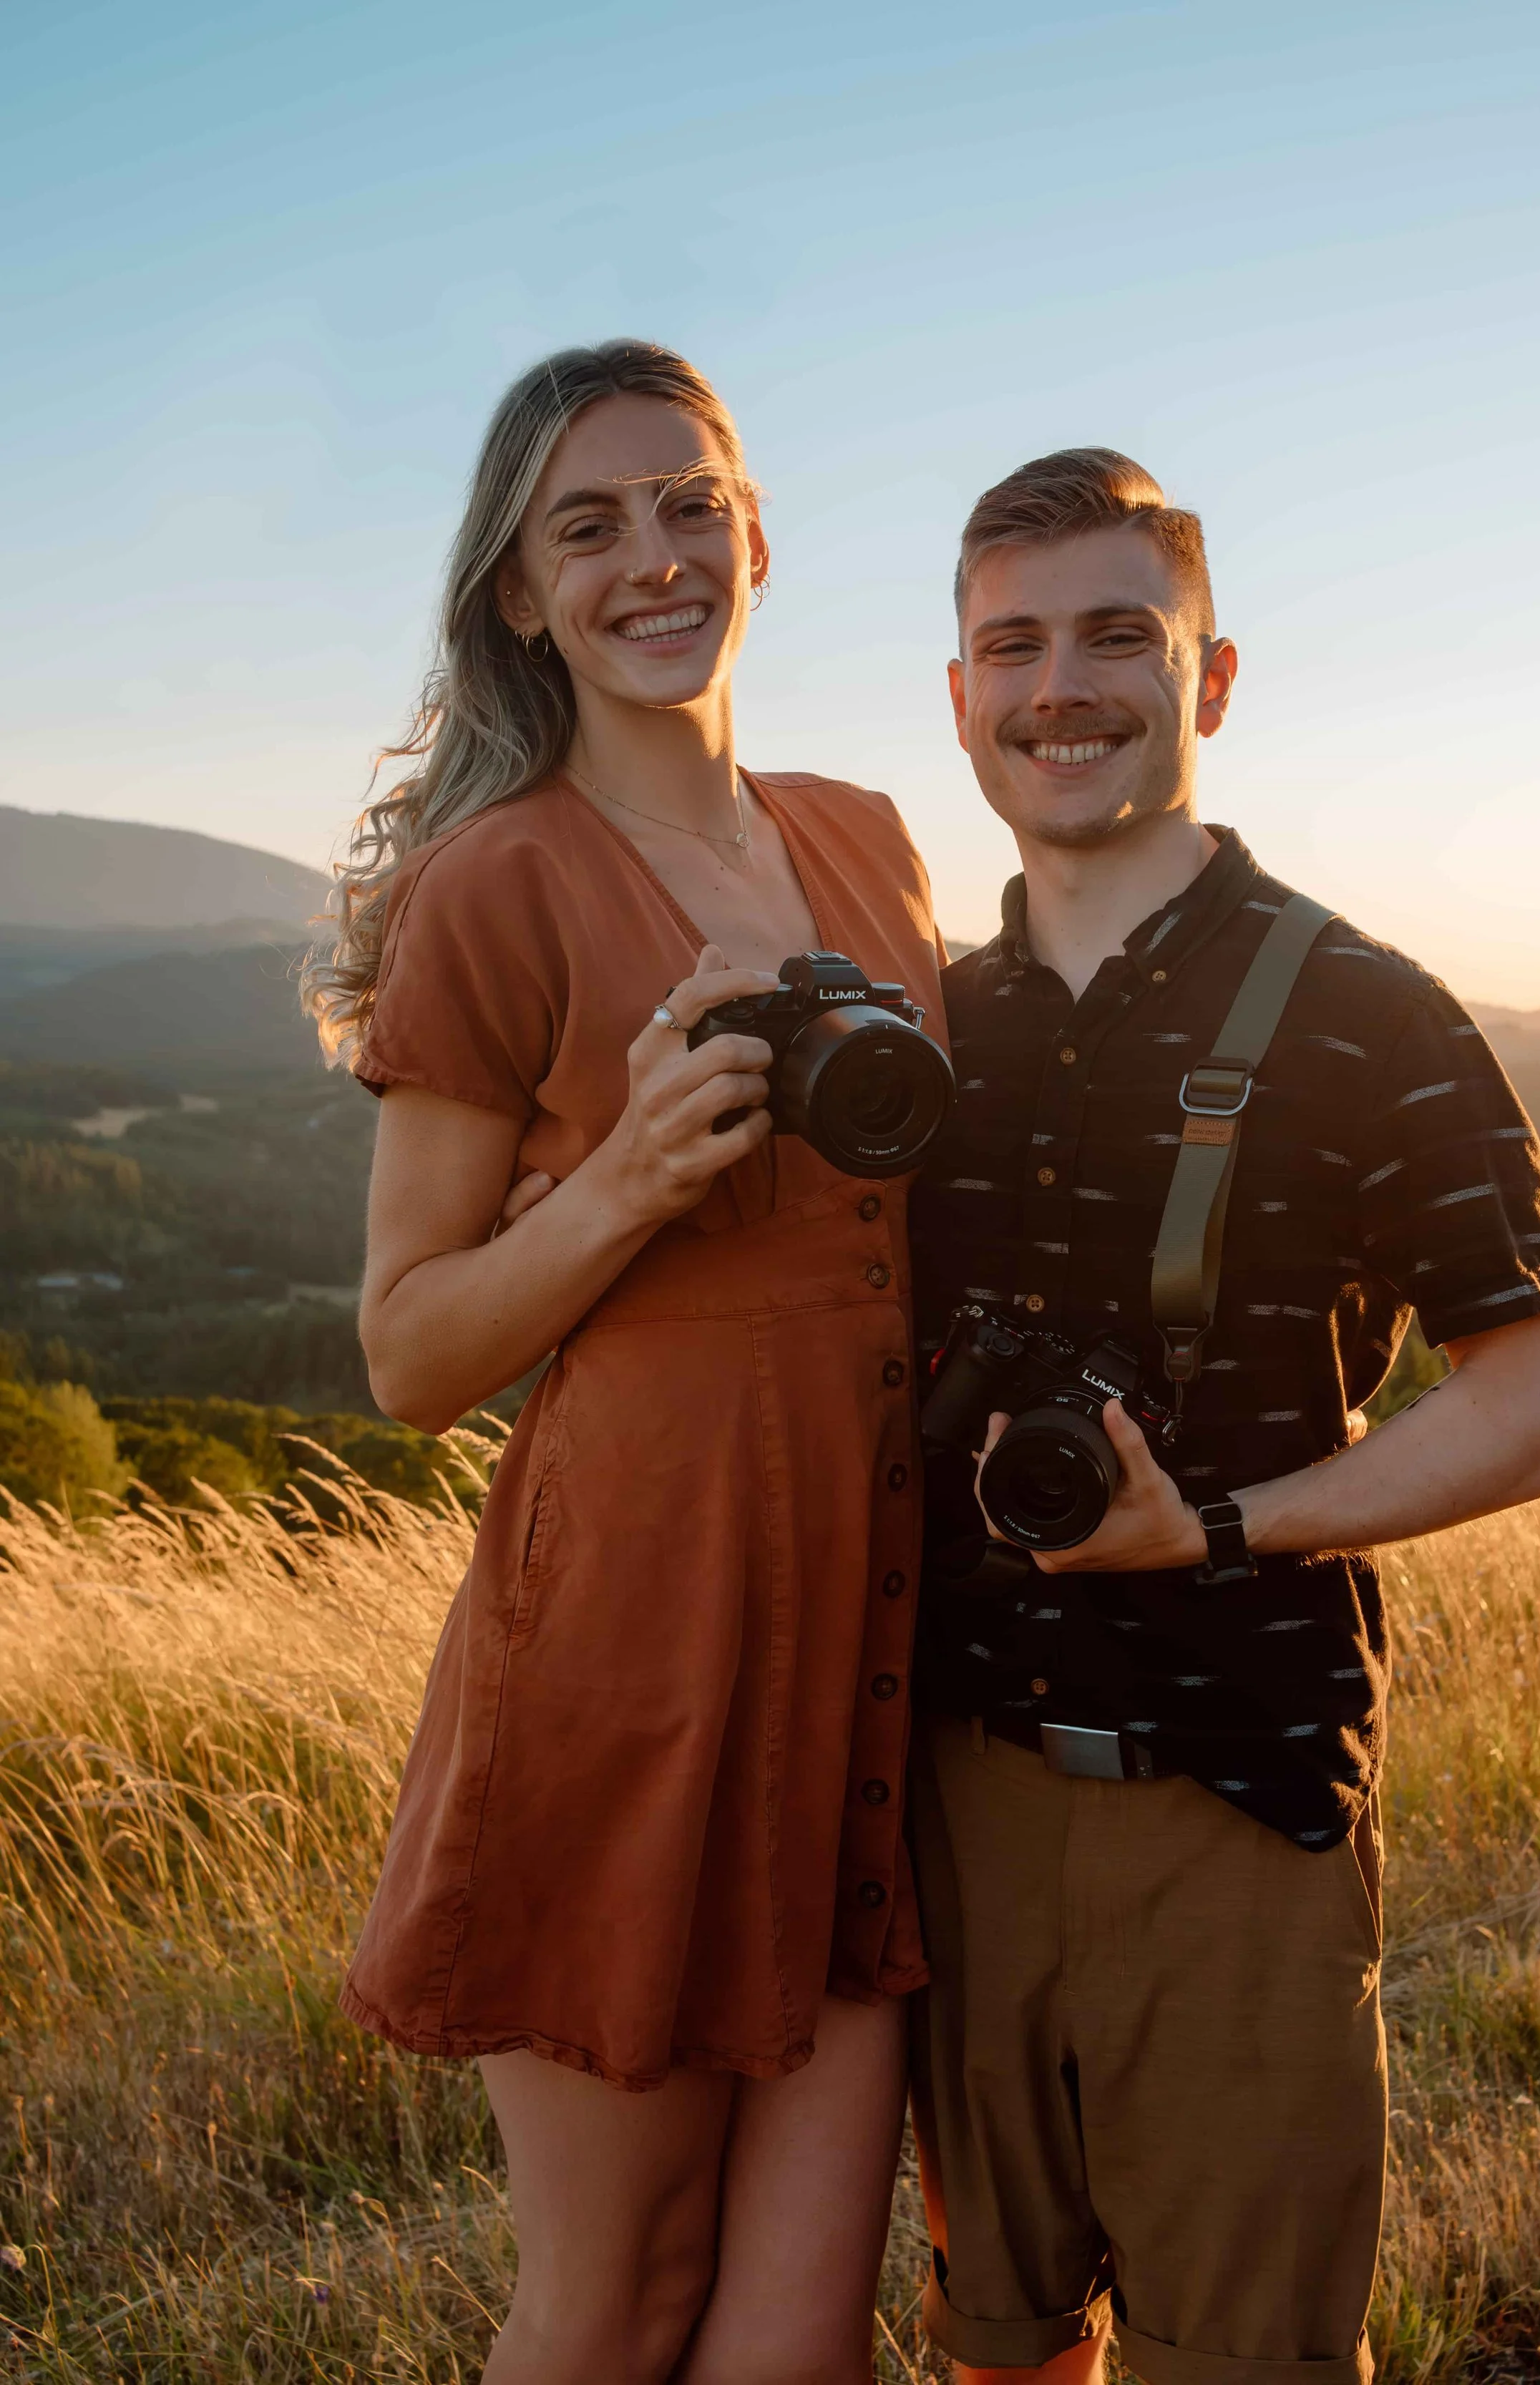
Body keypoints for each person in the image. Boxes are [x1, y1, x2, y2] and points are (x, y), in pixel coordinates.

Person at [905, 447, 1540, 2385]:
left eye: (1119, 635)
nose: (1062, 688)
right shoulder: (930, 1025)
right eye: (1011, 644)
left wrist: (1211, 1527)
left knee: (1245, 2360)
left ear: (1208, 679)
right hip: (944, 1790)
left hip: (1223, 1792)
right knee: (997, 2332)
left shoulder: (1367, 1012)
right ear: (957, 693)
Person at [303, 341, 944, 2385]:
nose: (653, 556)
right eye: (588, 525)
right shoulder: (491, 888)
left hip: (868, 1635)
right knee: (616, 2305)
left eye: (688, 504)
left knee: (800, 2330)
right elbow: (407, 1349)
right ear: (519, 593)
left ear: (757, 533)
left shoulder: (866, 839)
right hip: (635, 1663)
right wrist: (622, 1192)